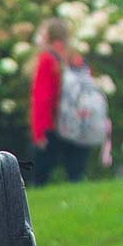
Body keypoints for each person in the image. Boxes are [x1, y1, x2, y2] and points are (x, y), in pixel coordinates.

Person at [28, 17, 92, 184]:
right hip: (77, 121)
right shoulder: (75, 58)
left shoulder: (46, 59)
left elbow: (42, 98)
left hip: (52, 124)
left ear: (49, 37)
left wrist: (39, 132)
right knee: (75, 175)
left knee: (40, 177)